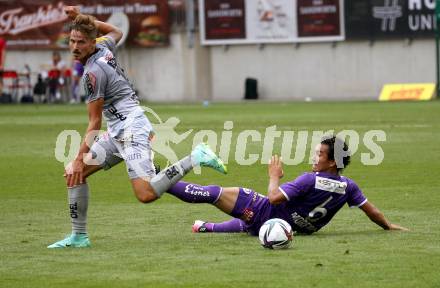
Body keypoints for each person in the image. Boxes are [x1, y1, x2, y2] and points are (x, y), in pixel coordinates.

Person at [48, 7, 227, 248]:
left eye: (81, 42)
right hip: (118, 130)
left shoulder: (92, 74)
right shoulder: (104, 46)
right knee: (73, 174)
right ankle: (79, 237)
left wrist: (81, 157)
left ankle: (196, 156)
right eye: (72, 41)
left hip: (132, 129)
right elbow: (116, 31)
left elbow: (94, 122)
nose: (74, 47)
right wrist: (88, 20)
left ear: (91, 42)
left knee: (145, 194)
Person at [165, 136, 408, 235]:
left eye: (320, 155)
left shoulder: (308, 179)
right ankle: (206, 227)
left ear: (333, 161)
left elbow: (272, 199)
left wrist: (275, 176)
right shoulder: (349, 186)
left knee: (213, 193)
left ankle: (161, 180)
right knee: (248, 222)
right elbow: (371, 212)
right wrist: (389, 226)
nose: (314, 158)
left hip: (265, 212)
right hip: (287, 227)